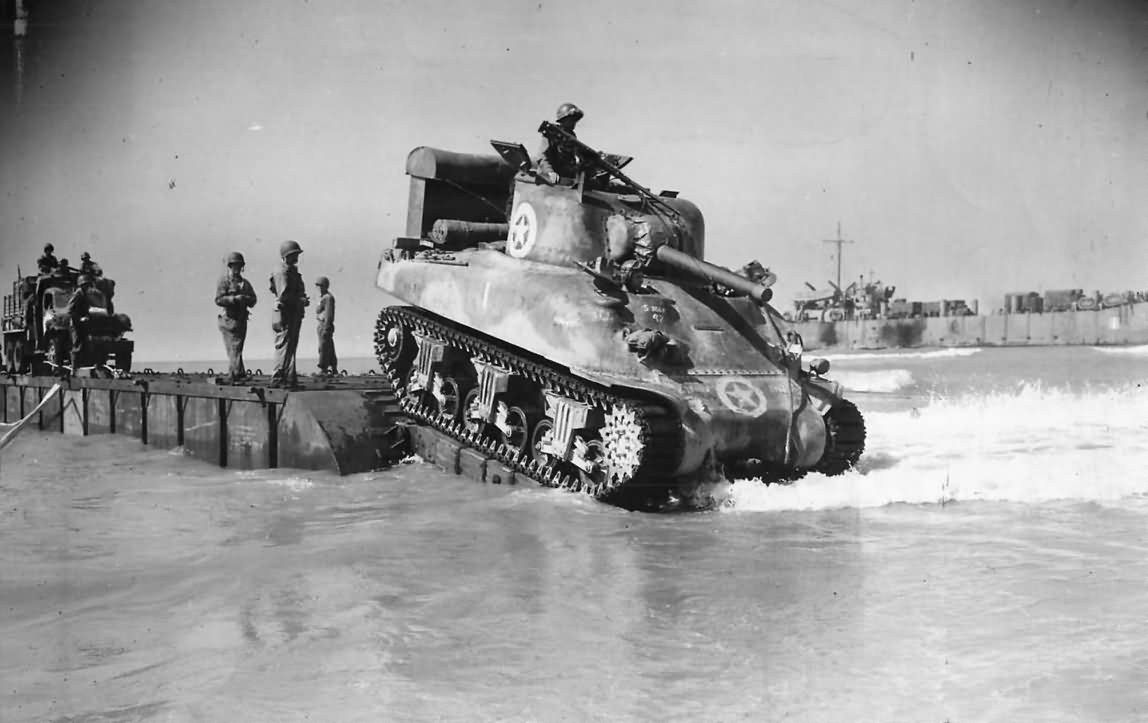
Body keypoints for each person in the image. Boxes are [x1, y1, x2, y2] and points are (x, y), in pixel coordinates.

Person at [268, 240, 309, 388]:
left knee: (290, 346)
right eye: (294, 254)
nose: (296, 257)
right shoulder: (282, 271)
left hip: (292, 313)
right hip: (285, 313)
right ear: (286, 256)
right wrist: (300, 300)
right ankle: (278, 379)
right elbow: (284, 295)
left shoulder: (291, 271)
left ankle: (289, 378)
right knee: (284, 345)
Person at [214, 251, 257, 382]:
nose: (237, 268)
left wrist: (246, 299)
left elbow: (253, 300)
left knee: (237, 348)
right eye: (234, 265)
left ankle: (237, 374)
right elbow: (218, 299)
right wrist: (234, 299)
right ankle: (236, 374)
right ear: (230, 266)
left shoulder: (245, 283)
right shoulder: (224, 282)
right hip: (229, 319)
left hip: (241, 320)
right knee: (234, 348)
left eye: (239, 265)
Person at [535, 102, 584, 183]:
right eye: (571, 119)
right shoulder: (552, 132)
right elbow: (541, 156)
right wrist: (550, 172)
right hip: (548, 179)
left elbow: (573, 158)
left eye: (575, 120)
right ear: (563, 120)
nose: (574, 123)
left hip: (564, 179)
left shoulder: (572, 136)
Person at [63, 274, 95, 373]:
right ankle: (74, 369)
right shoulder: (78, 294)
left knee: (85, 345)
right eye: (86, 284)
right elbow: (70, 310)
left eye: (88, 284)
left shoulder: (85, 294)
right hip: (75, 324)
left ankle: (86, 369)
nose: (88, 287)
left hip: (83, 324)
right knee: (77, 345)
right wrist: (80, 318)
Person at [314, 276, 337, 376]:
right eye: (317, 286)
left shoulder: (328, 298)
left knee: (323, 347)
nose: (318, 288)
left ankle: (323, 368)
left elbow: (328, 314)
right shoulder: (323, 298)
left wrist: (326, 327)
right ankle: (332, 367)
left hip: (325, 324)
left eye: (320, 286)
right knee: (328, 346)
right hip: (321, 324)